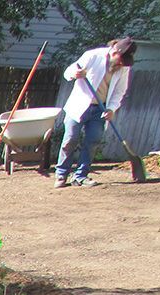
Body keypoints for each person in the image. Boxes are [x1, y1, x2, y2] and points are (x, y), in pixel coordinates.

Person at [54, 37, 136, 188]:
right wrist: (75, 74)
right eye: (122, 59)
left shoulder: (124, 67)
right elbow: (68, 72)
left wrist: (111, 108)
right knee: (70, 139)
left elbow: (120, 91)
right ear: (116, 51)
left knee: (93, 141)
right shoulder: (93, 56)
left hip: (101, 109)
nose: (122, 63)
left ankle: (80, 176)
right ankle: (61, 174)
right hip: (80, 105)